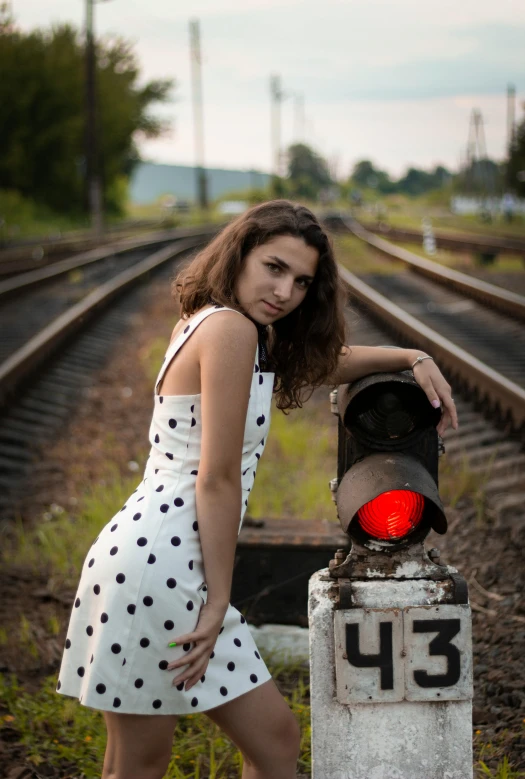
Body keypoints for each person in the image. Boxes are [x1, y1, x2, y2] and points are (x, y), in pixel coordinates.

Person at [55, 200, 457, 779]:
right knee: (142, 762)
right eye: (273, 267)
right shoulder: (231, 328)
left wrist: (412, 355)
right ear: (239, 255)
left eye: (301, 281)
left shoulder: (218, 323)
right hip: (163, 564)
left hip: (151, 554)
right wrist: (219, 599)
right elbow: (215, 479)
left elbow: (320, 364)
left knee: (267, 741)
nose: (285, 290)